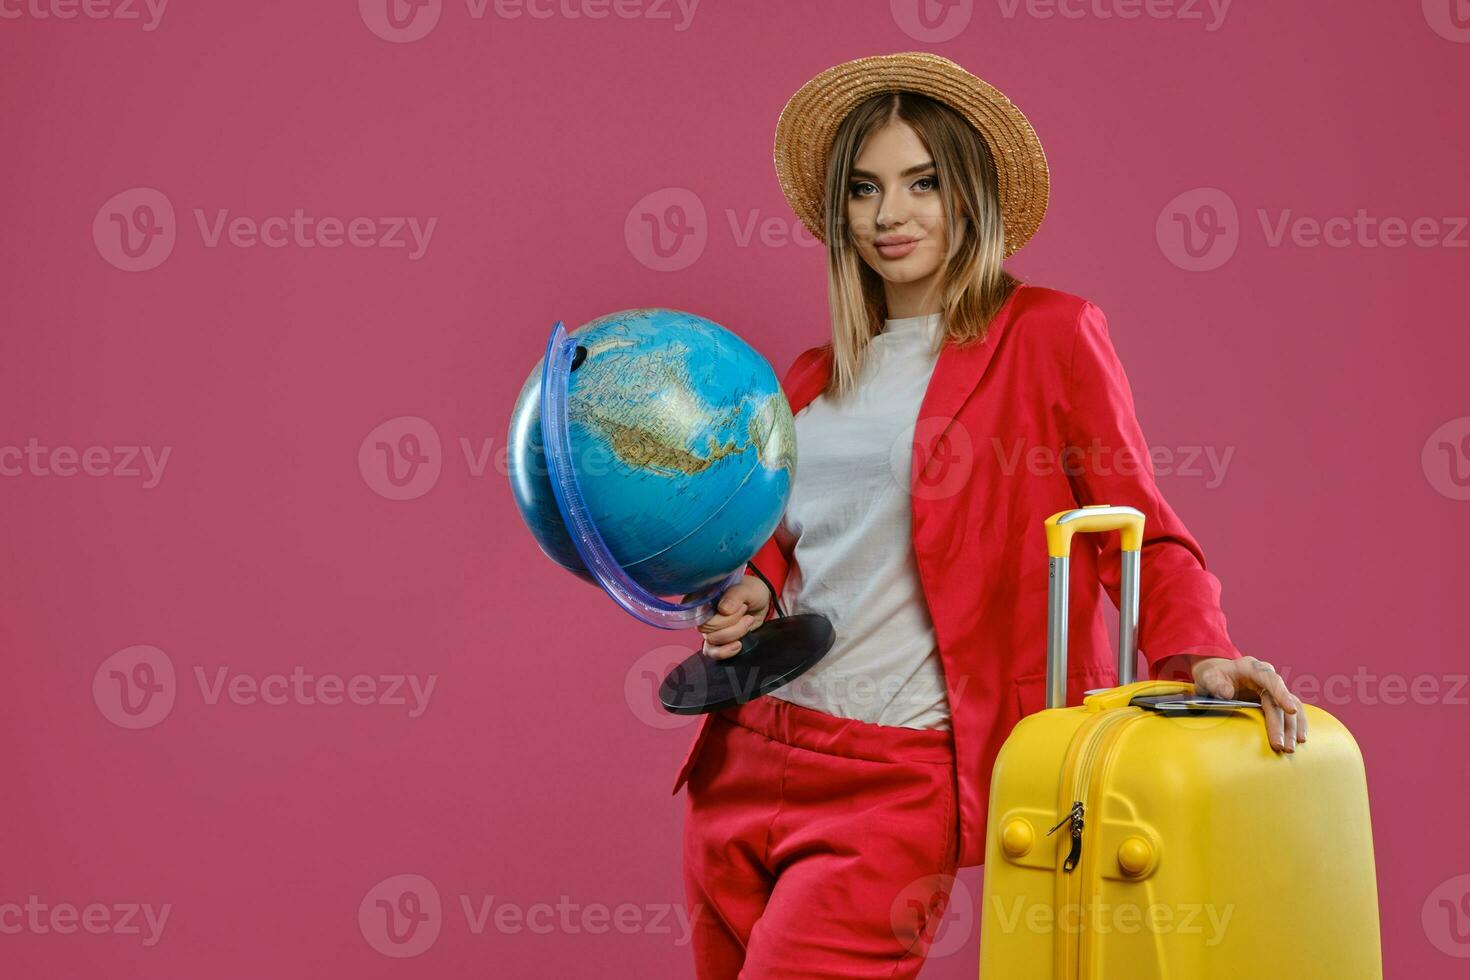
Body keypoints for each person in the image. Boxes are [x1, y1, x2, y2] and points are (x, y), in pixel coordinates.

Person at [674, 52, 1306, 979]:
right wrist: (750, 589)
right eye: (863, 189)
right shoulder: (807, 377)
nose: (890, 216)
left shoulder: (1048, 335)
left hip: (897, 776)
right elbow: (798, 541)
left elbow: (1140, 525)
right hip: (746, 754)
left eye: (921, 183)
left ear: (969, 193)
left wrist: (1200, 652)